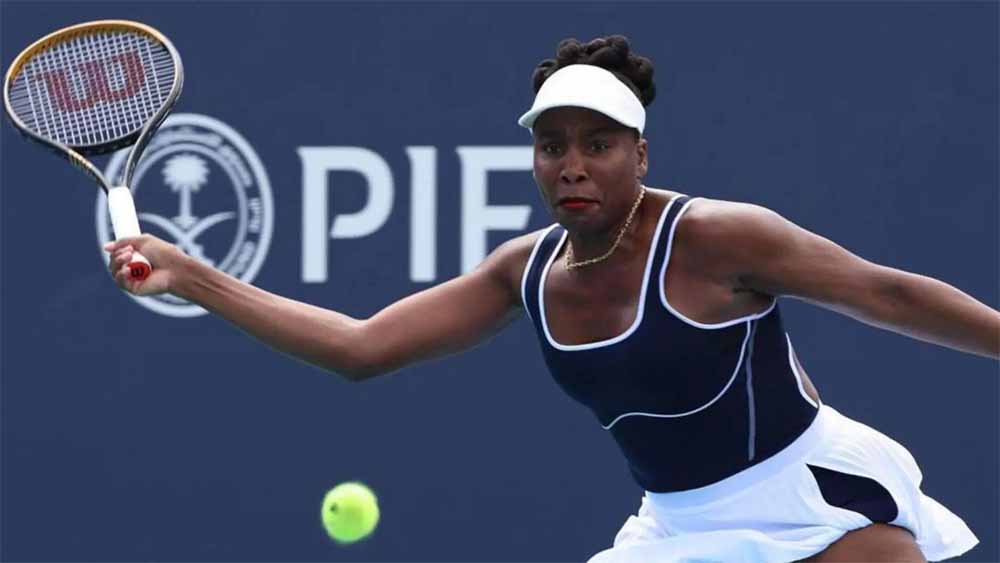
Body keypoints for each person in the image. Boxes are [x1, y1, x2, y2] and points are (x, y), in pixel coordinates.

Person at [106, 36, 996, 562]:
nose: (571, 164)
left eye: (597, 144)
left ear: (640, 154)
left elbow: (887, 293)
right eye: (552, 145)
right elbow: (359, 347)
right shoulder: (522, 272)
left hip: (816, 499)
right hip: (675, 531)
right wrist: (191, 275)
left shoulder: (719, 237)